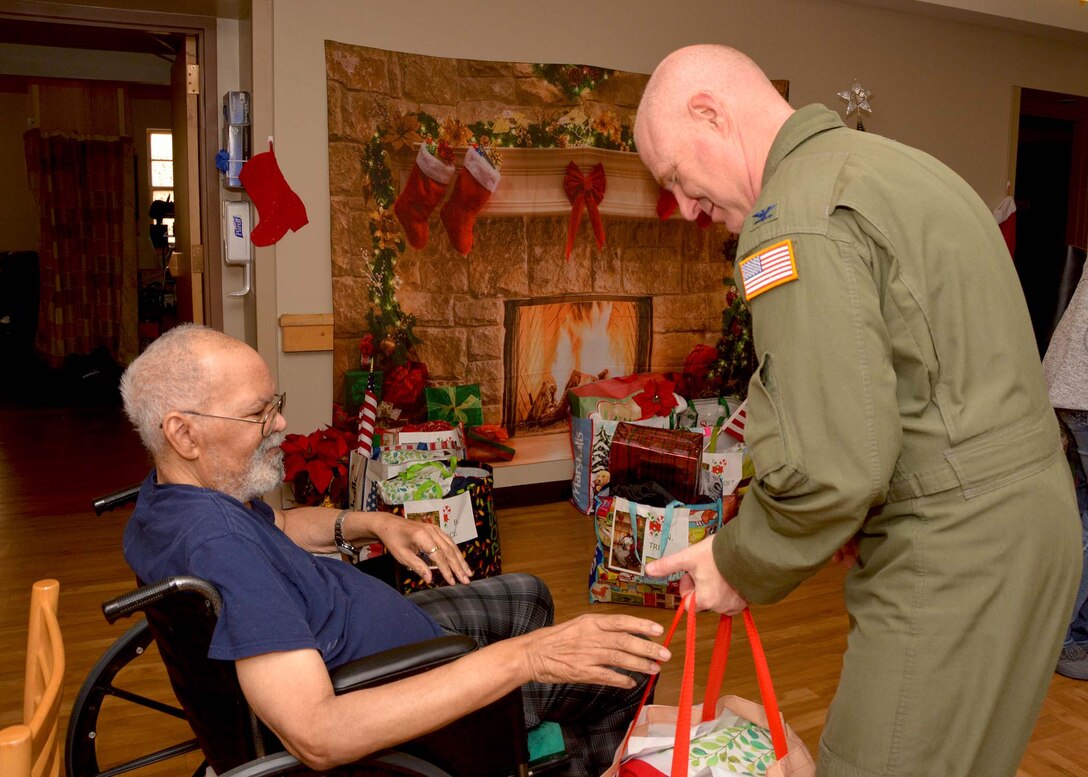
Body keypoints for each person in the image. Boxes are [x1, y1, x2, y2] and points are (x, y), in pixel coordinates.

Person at [635, 44, 1081, 777]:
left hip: (955, 553)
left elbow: (831, 465)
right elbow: (920, 389)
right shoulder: (905, 168)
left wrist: (735, 560)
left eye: (678, 178)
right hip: (1033, 528)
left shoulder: (791, 220)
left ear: (709, 113)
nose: (684, 208)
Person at [118, 323, 670, 776]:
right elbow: (318, 734)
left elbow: (280, 525)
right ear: (183, 434)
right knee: (626, 669)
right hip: (408, 700)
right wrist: (526, 658)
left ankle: (535, 727)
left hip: (366, 637)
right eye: (258, 413)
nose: (280, 423)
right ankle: (543, 749)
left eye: (274, 404)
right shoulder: (221, 548)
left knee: (529, 596)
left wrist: (374, 523)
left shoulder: (177, 499)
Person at [1042, 266, 1088, 680]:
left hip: (1067, 389)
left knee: (1081, 520)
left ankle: (1064, 636)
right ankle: (1066, 641)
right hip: (1083, 391)